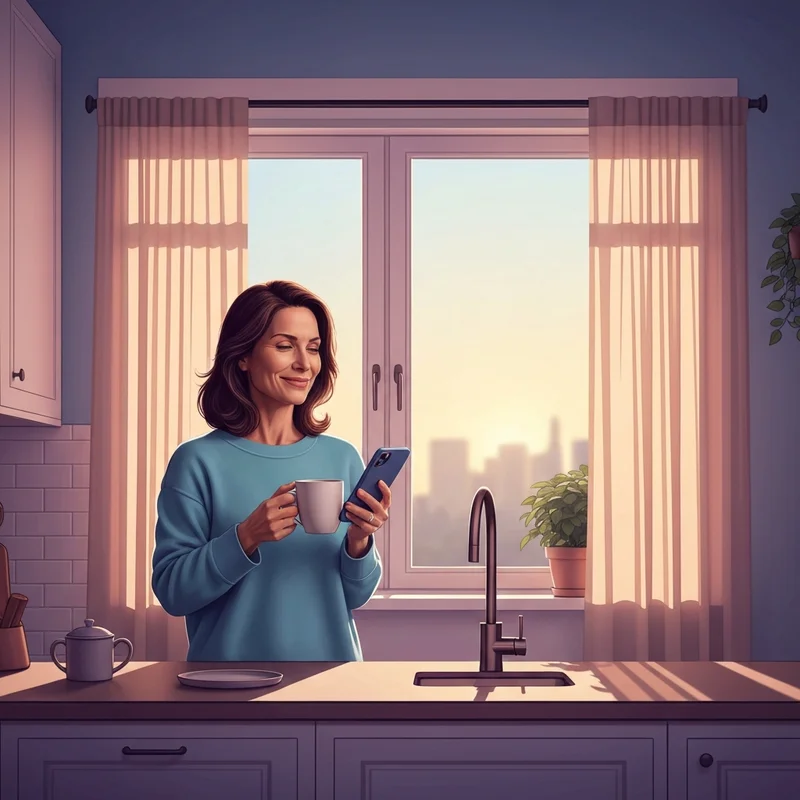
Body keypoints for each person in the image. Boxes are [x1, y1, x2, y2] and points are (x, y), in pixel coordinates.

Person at [151, 280, 388, 661]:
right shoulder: (196, 462)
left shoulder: (342, 457)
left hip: (332, 684)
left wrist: (359, 542)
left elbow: (354, 596)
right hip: (228, 690)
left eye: (313, 348)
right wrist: (245, 537)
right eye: (284, 346)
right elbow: (173, 593)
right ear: (243, 356)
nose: (304, 363)